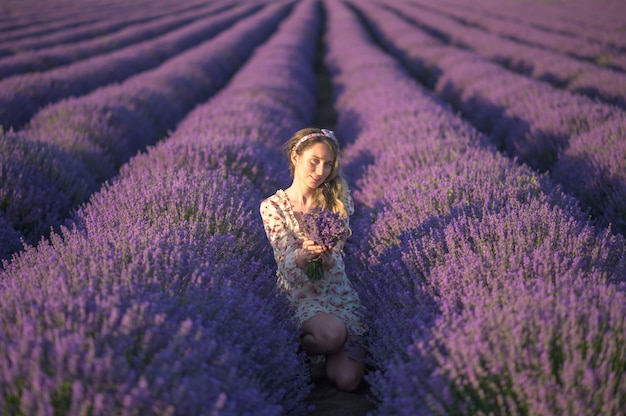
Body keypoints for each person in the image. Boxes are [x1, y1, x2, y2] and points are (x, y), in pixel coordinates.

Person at [260, 127, 366, 392]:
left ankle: (321, 355)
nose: (321, 171)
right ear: (296, 156)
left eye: (328, 164)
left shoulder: (337, 199)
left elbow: (335, 257)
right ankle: (298, 347)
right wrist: (304, 256)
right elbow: (286, 267)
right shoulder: (272, 207)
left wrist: (326, 253)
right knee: (332, 335)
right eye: (314, 161)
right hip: (300, 294)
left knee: (349, 380)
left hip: (337, 291)